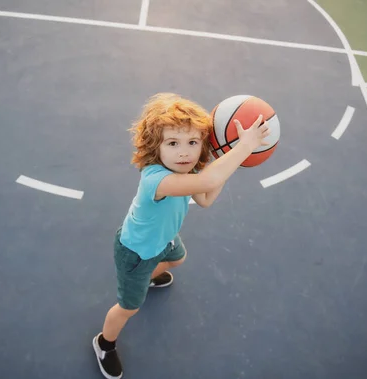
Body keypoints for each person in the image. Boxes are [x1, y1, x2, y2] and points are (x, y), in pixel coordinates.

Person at [92, 93, 271, 378]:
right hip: (137, 254)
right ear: (155, 148)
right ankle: (104, 343)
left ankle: (152, 277)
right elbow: (208, 181)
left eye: (192, 142)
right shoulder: (157, 179)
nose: (184, 152)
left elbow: (205, 198)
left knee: (179, 259)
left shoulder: (190, 171)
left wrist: (228, 162)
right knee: (129, 308)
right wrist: (243, 147)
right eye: (173, 143)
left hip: (164, 240)